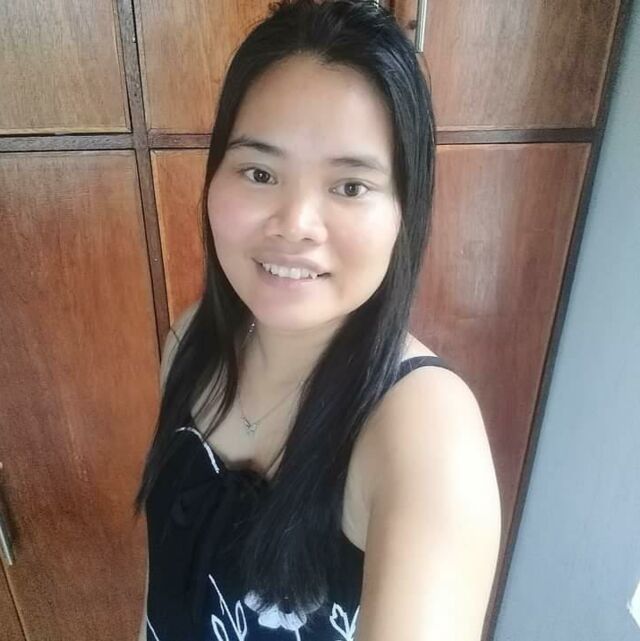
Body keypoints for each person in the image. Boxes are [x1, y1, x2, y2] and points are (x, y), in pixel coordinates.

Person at [134, 1, 502, 639]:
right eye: (259, 172)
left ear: (404, 211)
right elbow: (161, 593)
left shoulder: (425, 432)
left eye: (350, 186)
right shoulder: (189, 343)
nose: (296, 225)